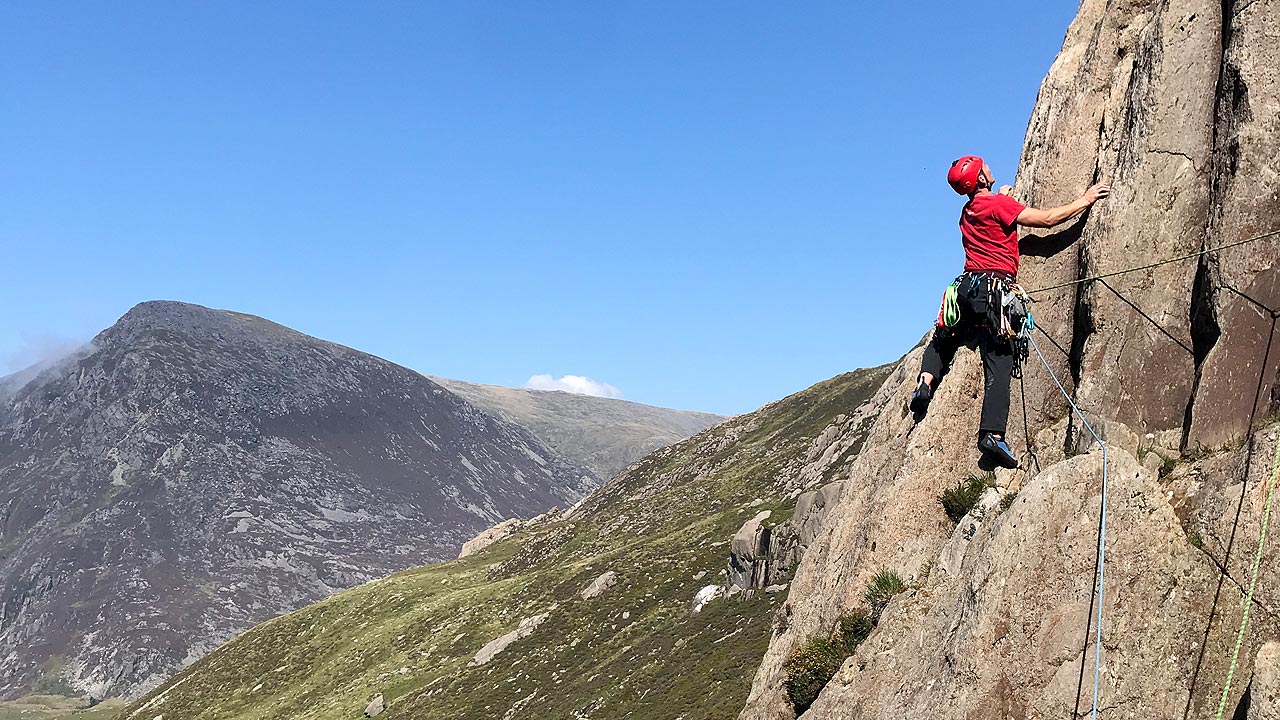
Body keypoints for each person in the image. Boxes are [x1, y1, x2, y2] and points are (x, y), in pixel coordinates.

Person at [909, 155, 1110, 468]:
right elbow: (1047, 220)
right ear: (980, 179)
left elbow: (989, 212)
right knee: (1000, 360)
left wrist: (1001, 196)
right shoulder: (999, 207)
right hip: (994, 291)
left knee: (943, 338)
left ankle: (926, 381)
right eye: (983, 167)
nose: (989, 167)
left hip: (964, 291)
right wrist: (1083, 200)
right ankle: (992, 435)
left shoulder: (968, 212)